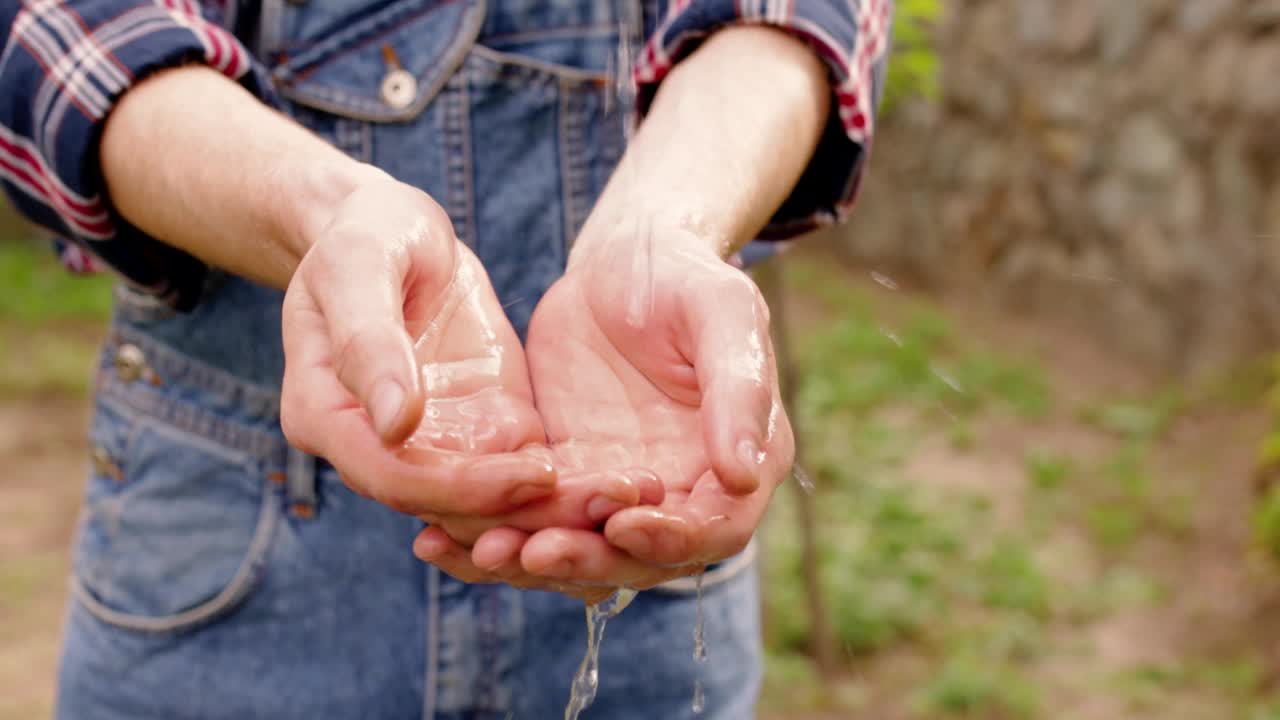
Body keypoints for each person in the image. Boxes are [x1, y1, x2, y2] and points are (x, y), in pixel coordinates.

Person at [0, 0, 889, 717]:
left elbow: (792, 19)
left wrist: (668, 227)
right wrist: (325, 217)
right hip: (231, 584)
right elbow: (68, 35)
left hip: (646, 568)